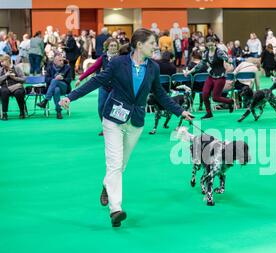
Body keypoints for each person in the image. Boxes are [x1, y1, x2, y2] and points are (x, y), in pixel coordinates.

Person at [59, 28, 193, 228]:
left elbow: (161, 94)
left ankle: (107, 184)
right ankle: (116, 210)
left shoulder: (153, 68)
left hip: (136, 121)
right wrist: (71, 96)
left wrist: (179, 111)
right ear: (139, 45)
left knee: (121, 165)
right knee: (114, 164)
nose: (155, 47)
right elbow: (96, 81)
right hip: (113, 118)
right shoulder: (117, 63)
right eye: (151, 43)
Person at [183, 36, 236, 119]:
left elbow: (227, 59)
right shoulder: (206, 53)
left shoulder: (219, 52)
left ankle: (230, 101)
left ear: (215, 43)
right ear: (206, 45)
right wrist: (189, 72)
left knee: (215, 98)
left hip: (220, 78)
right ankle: (209, 113)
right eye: (209, 45)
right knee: (205, 95)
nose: (211, 47)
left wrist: (229, 61)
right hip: (211, 77)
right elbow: (200, 64)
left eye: (212, 45)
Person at [76, 38, 120, 135]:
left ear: (117, 47)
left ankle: (115, 128)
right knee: (101, 107)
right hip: (103, 86)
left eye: (114, 46)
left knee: (112, 108)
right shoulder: (103, 57)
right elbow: (93, 68)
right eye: (111, 45)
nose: (113, 47)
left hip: (116, 87)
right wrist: (80, 78)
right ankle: (105, 128)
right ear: (107, 47)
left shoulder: (120, 58)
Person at [37, 53, 72, 119]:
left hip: (64, 87)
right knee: (56, 90)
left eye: (62, 60)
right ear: (54, 62)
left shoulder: (67, 67)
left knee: (54, 81)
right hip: (53, 89)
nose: (62, 62)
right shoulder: (49, 67)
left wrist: (62, 78)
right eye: (60, 60)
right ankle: (59, 112)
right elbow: (46, 79)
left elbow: (69, 80)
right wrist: (55, 79)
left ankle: (45, 101)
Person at [0, 55, 27, 120]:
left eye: (2, 61)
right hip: (5, 87)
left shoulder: (17, 68)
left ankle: (22, 111)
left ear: (8, 61)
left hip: (17, 86)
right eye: (1, 62)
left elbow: (24, 79)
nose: (1, 63)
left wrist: (14, 78)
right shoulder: (1, 70)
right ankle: (4, 113)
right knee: (4, 92)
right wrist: (5, 75)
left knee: (19, 92)